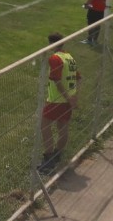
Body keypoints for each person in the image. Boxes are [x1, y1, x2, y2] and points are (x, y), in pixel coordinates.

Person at [39, 32, 81, 173]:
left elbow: (57, 81)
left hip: (57, 100)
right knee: (63, 128)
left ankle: (48, 159)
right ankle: (57, 155)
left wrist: (68, 98)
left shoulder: (55, 58)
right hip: (67, 101)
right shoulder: (69, 57)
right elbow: (79, 78)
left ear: (51, 44)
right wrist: (74, 97)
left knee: (44, 126)